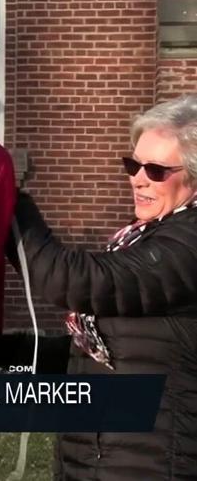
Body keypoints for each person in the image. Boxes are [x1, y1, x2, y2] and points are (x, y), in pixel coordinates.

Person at [10, 93, 197, 479]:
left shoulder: (188, 244)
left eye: (156, 170)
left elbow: (84, 282)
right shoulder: (142, 238)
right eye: (133, 164)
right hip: (96, 461)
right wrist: (7, 349)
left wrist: (11, 209)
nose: (138, 179)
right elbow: (113, 346)